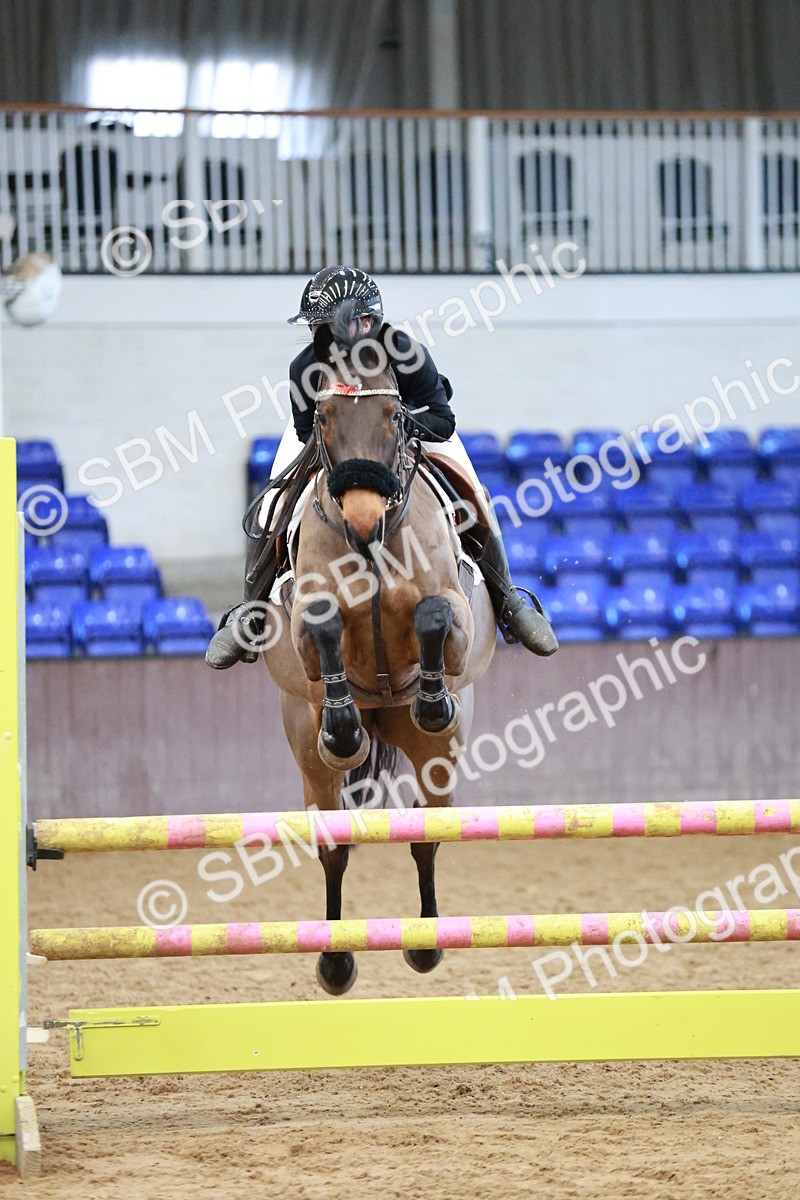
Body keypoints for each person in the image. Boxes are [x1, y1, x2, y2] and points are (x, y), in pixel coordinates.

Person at [206, 266, 558, 669]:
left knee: (472, 490)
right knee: (270, 504)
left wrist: (394, 423)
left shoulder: (404, 351)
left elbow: (444, 421)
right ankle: (250, 612)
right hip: (331, 433)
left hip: (408, 427)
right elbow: (306, 430)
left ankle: (507, 598)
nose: (317, 336)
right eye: (317, 327)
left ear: (367, 322)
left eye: (324, 326)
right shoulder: (305, 368)